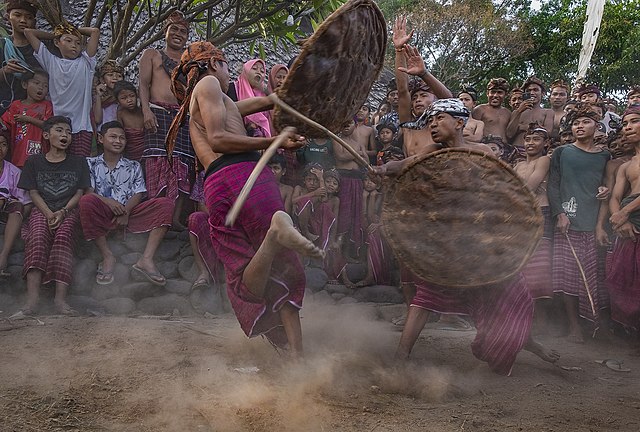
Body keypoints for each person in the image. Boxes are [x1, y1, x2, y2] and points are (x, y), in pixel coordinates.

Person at [374, 99, 559, 375]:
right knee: (426, 295)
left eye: (439, 120)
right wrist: (381, 169)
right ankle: (401, 356)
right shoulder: (432, 151)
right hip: (446, 240)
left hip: (481, 238)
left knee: (513, 293)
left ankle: (528, 341)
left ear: (460, 123)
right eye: (431, 121)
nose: (433, 125)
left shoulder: (482, 151)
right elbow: (404, 165)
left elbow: (500, 191)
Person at [166, 41, 323, 356]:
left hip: (220, 185)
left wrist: (278, 98)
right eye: (227, 66)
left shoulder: (216, 99)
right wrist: (273, 140)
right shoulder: (208, 84)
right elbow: (218, 139)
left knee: (249, 275)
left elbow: (258, 103)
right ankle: (276, 233)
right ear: (214, 64)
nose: (229, 75)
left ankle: (296, 361)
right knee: (282, 267)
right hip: (245, 175)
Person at [79, 121, 173, 286]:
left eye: (122, 138)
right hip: (102, 213)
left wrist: (127, 212)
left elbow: (139, 192)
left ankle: (146, 259)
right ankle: (107, 256)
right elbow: (88, 191)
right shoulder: (90, 163)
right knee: (87, 201)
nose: (118, 141)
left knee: (165, 204)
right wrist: (108, 202)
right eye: (113, 137)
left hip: (130, 214)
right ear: (100, 139)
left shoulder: (134, 165)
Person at [547, 103, 611, 343]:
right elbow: (553, 185)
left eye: (585, 122)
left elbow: (607, 182)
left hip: (593, 221)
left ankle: (596, 325)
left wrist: (606, 189)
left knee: (593, 276)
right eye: (575, 123)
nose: (579, 126)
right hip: (568, 221)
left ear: (597, 126)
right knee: (567, 277)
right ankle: (574, 326)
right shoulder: (562, 152)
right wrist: (559, 214)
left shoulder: (605, 155)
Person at [16, 116, 91, 316]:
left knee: (63, 238)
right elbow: (32, 192)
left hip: (68, 210)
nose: (64, 135)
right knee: (38, 238)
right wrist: (49, 213)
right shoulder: (34, 161)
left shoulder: (78, 161)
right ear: (47, 135)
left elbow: (79, 192)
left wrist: (63, 211)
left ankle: (60, 300)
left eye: (68, 132)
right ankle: (32, 302)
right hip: (42, 210)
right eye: (59, 130)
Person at [138, 11, 193, 230]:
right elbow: (143, 85)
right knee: (158, 162)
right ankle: (156, 213)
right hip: (158, 113)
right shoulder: (152, 54)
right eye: (174, 29)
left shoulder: (190, 61)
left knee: (182, 163)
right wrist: (146, 112)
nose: (178, 34)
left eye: (183, 31)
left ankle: (175, 218)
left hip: (181, 116)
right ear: (165, 32)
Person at [24, 22, 99, 157]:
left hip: (81, 126)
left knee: (79, 166)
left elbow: (95, 32)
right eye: (68, 40)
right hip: (57, 126)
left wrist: (71, 31)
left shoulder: (86, 64)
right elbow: (29, 32)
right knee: (56, 165)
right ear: (57, 43)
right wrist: (57, 33)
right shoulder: (51, 62)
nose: (74, 45)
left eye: (77, 42)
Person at [392, 17, 452, 158]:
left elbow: (450, 100)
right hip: (412, 178)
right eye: (415, 98)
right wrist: (399, 50)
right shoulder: (408, 126)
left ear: (436, 100)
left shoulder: (444, 126)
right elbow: (402, 91)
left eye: (424, 96)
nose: (417, 100)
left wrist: (424, 74)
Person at [514, 124, 553, 328]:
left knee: (538, 266)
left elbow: (530, 186)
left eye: (536, 139)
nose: (530, 143)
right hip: (520, 216)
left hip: (539, 213)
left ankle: (542, 320)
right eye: (528, 139)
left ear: (546, 143)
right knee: (522, 264)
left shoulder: (544, 160)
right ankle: (524, 316)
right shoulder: (518, 165)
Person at [607, 105, 640, 332]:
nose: (628, 127)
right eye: (626, 123)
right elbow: (615, 197)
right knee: (627, 280)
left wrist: (625, 213)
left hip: (631, 216)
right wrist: (619, 218)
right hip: (628, 226)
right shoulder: (626, 166)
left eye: (634, 121)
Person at [0, 68, 52, 167]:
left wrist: (28, 119)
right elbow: (5, 125)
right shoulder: (16, 105)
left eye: (45, 86)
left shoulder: (47, 105)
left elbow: (49, 125)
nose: (41, 88)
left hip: (40, 156)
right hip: (18, 155)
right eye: (37, 83)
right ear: (25, 85)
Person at [333, 118, 368, 261]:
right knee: (343, 216)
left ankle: (348, 253)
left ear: (355, 125)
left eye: (350, 123)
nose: (346, 126)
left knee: (354, 216)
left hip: (357, 181)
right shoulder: (337, 140)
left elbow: (365, 162)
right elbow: (340, 157)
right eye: (344, 123)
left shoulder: (358, 144)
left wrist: (358, 155)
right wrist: (357, 154)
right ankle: (338, 254)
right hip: (344, 179)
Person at [0, 0, 40, 117]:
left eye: (28, 17)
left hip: (35, 113)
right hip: (4, 110)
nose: (23, 20)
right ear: (8, 17)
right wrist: (6, 70)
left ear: (34, 21)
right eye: (17, 15)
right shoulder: (2, 45)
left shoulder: (41, 48)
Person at [0, 132, 32, 275]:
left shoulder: (14, 172)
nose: (0, 148)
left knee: (17, 205)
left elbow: (27, 203)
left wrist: (17, 218)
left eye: (4, 144)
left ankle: (3, 257)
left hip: (6, 215)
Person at [506, 76, 554, 159]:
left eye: (535, 90)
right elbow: (509, 134)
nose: (532, 93)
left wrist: (522, 127)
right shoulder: (516, 112)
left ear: (542, 93)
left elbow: (548, 132)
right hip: (516, 150)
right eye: (528, 90)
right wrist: (519, 111)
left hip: (537, 153)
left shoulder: (547, 112)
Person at [230, 59, 271, 137]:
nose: (258, 72)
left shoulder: (264, 96)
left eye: (262, 71)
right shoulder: (232, 88)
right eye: (254, 68)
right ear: (245, 71)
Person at [472, 77, 511, 142]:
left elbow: (510, 134)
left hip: (505, 148)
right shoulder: (480, 110)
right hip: (486, 147)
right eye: (492, 92)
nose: (495, 95)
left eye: (499, 92)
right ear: (487, 93)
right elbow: (472, 130)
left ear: (506, 95)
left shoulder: (508, 113)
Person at [114, 80, 145, 161]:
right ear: (117, 101)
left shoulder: (144, 111)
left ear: (137, 95)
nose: (129, 100)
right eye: (124, 98)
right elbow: (120, 134)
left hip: (146, 153)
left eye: (132, 96)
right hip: (130, 153)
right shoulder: (121, 114)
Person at [93, 60, 124, 128]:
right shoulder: (99, 98)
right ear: (102, 80)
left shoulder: (125, 98)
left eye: (119, 76)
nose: (115, 78)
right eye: (110, 75)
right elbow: (97, 119)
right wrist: (98, 96)